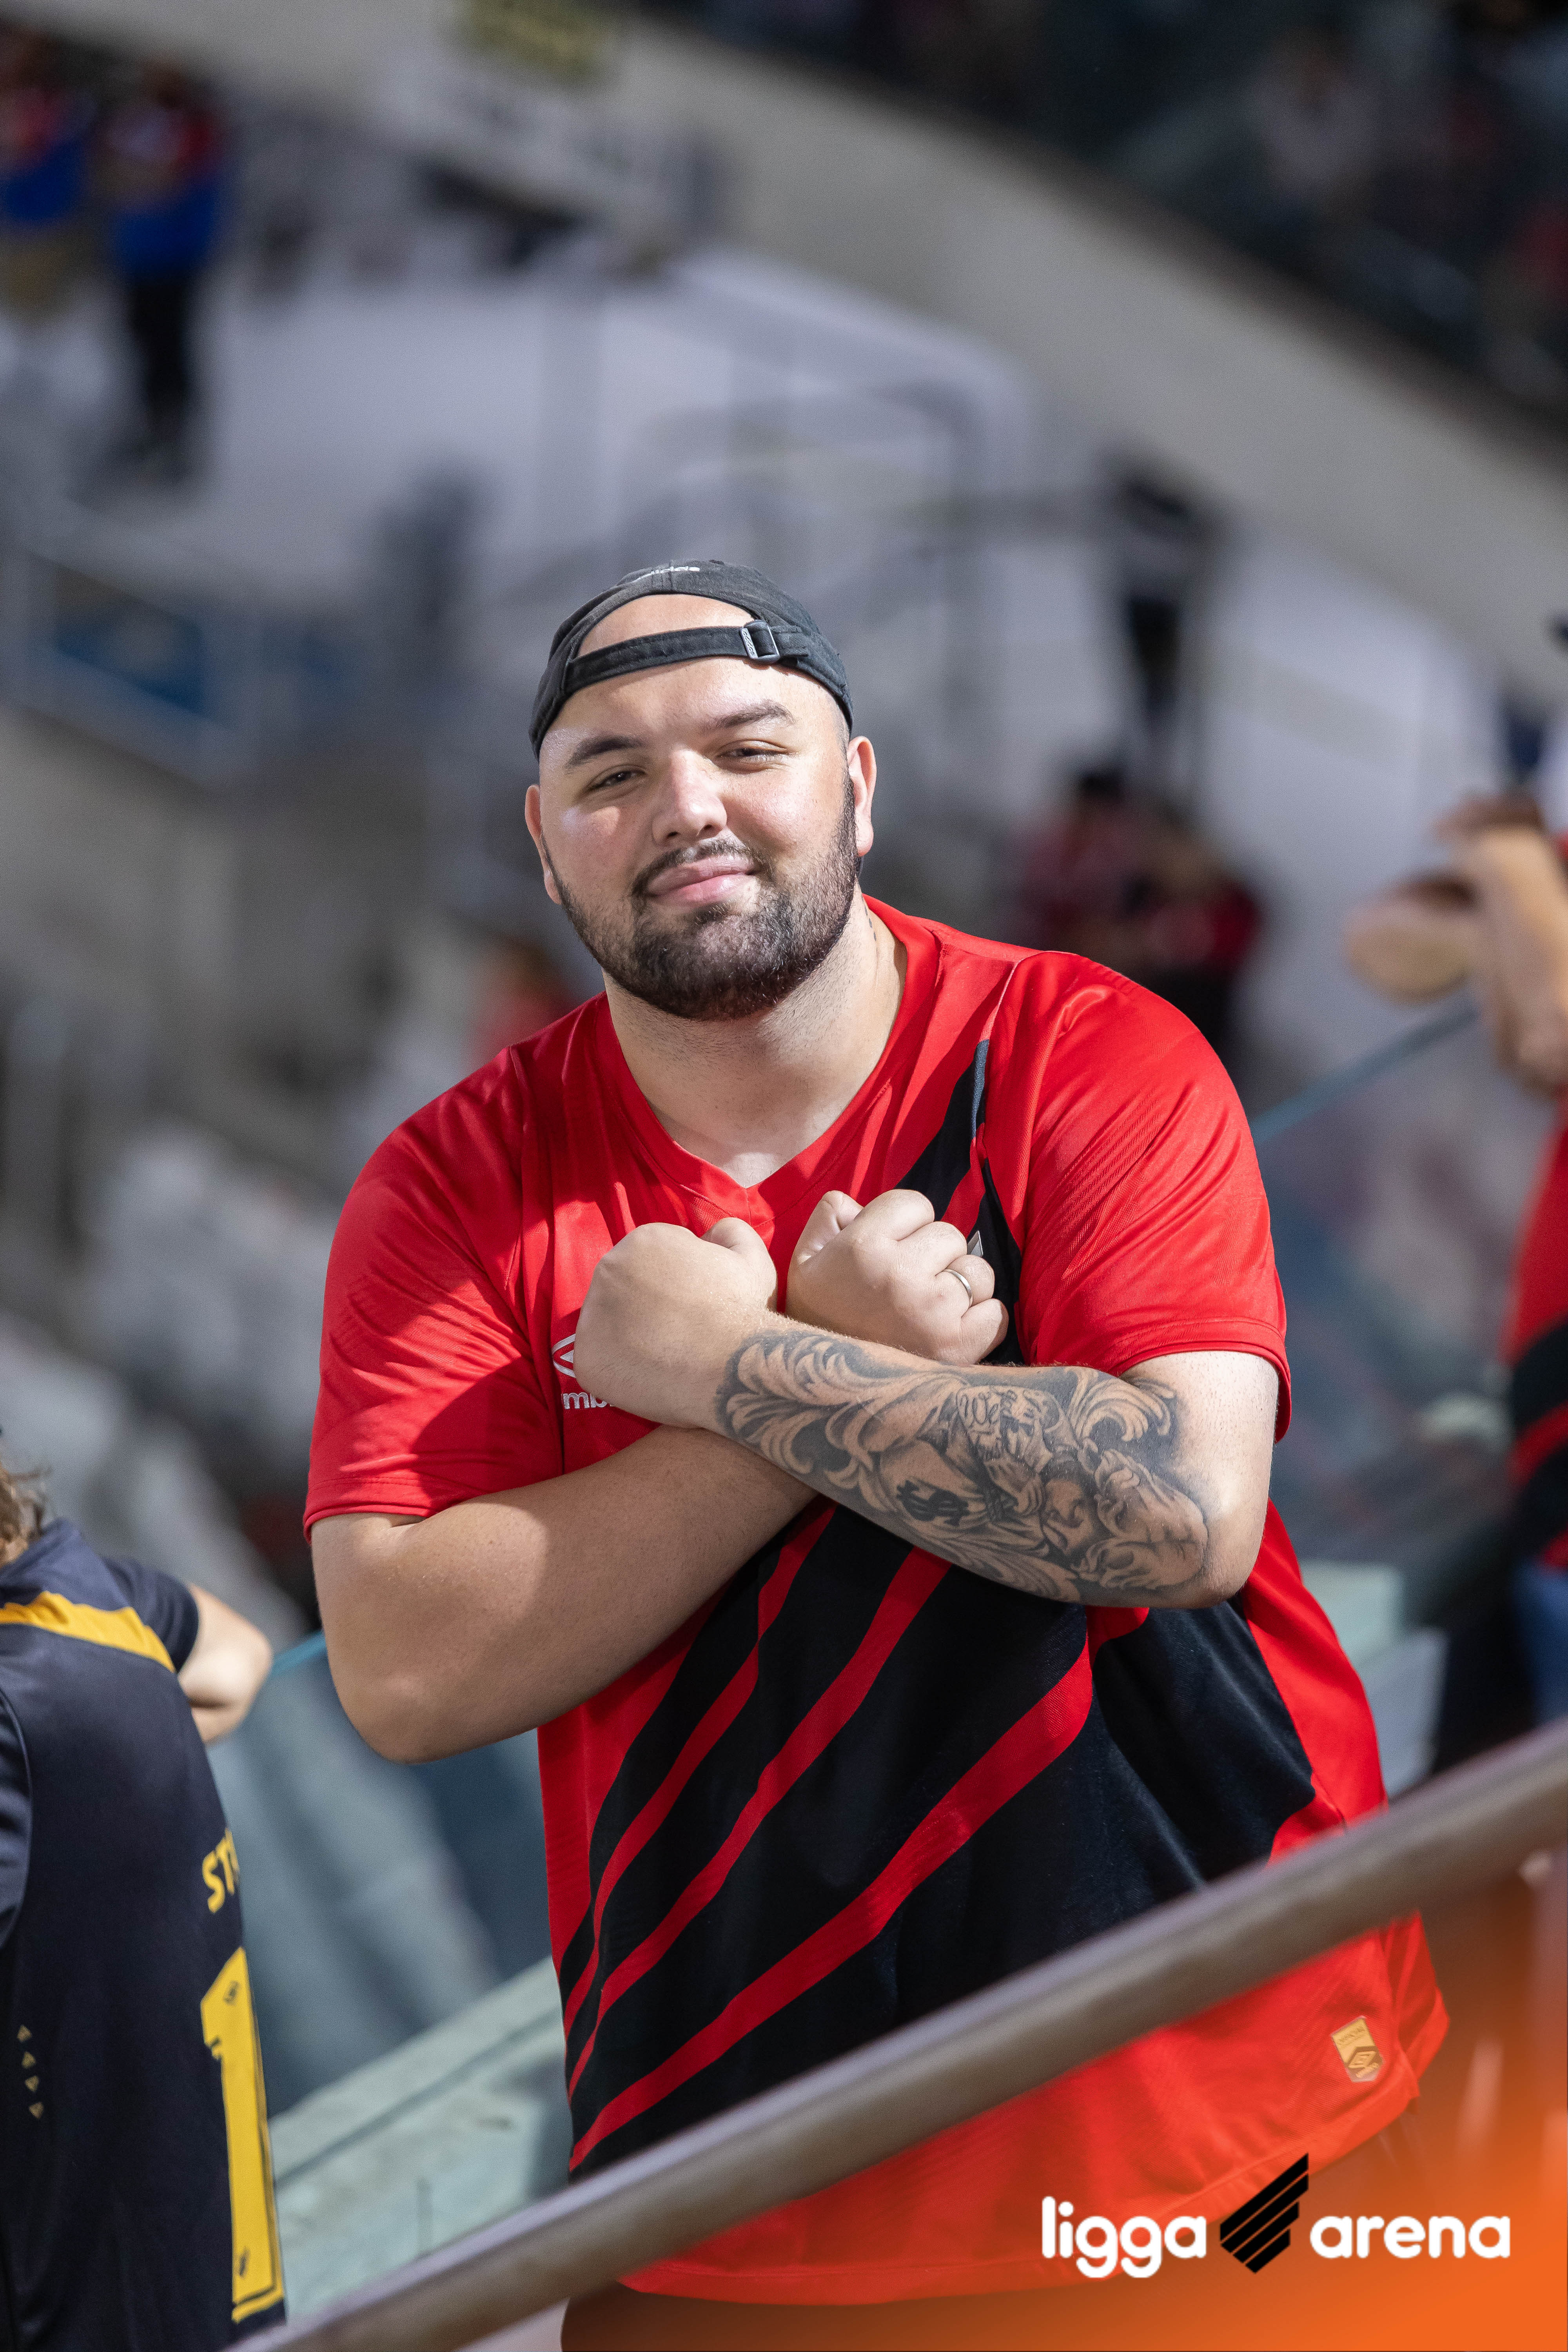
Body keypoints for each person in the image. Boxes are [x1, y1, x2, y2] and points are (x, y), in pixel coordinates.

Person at [308, 561, 1445, 2348]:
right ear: (546, 844)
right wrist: (815, 1380)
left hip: (1216, 2120)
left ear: (855, 785)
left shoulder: (1077, 1051)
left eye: (744, 747)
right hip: (736, 2185)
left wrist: (735, 1363)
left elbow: (1178, 1508)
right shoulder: (459, 1183)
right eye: (611, 772)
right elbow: (399, 1664)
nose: (684, 803)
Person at [0, 1456, 283, 2345]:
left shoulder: (17, 1709)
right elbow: (237, 1658)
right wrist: (98, 1783)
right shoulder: (91, 1601)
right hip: (223, 2294)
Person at [1345, 793, 1568, 1722]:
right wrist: (1507, 933)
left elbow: (1552, 1032)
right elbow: (1378, 944)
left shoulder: (1527, 863)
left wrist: (1507, 861)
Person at [98, 64, 223, 474]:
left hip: (177, 257)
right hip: (135, 255)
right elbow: (110, 175)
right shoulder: (134, 120)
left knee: (171, 346)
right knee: (140, 343)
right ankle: (147, 428)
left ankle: (176, 438)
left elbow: (175, 184)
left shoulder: (198, 125)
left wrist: (146, 183)